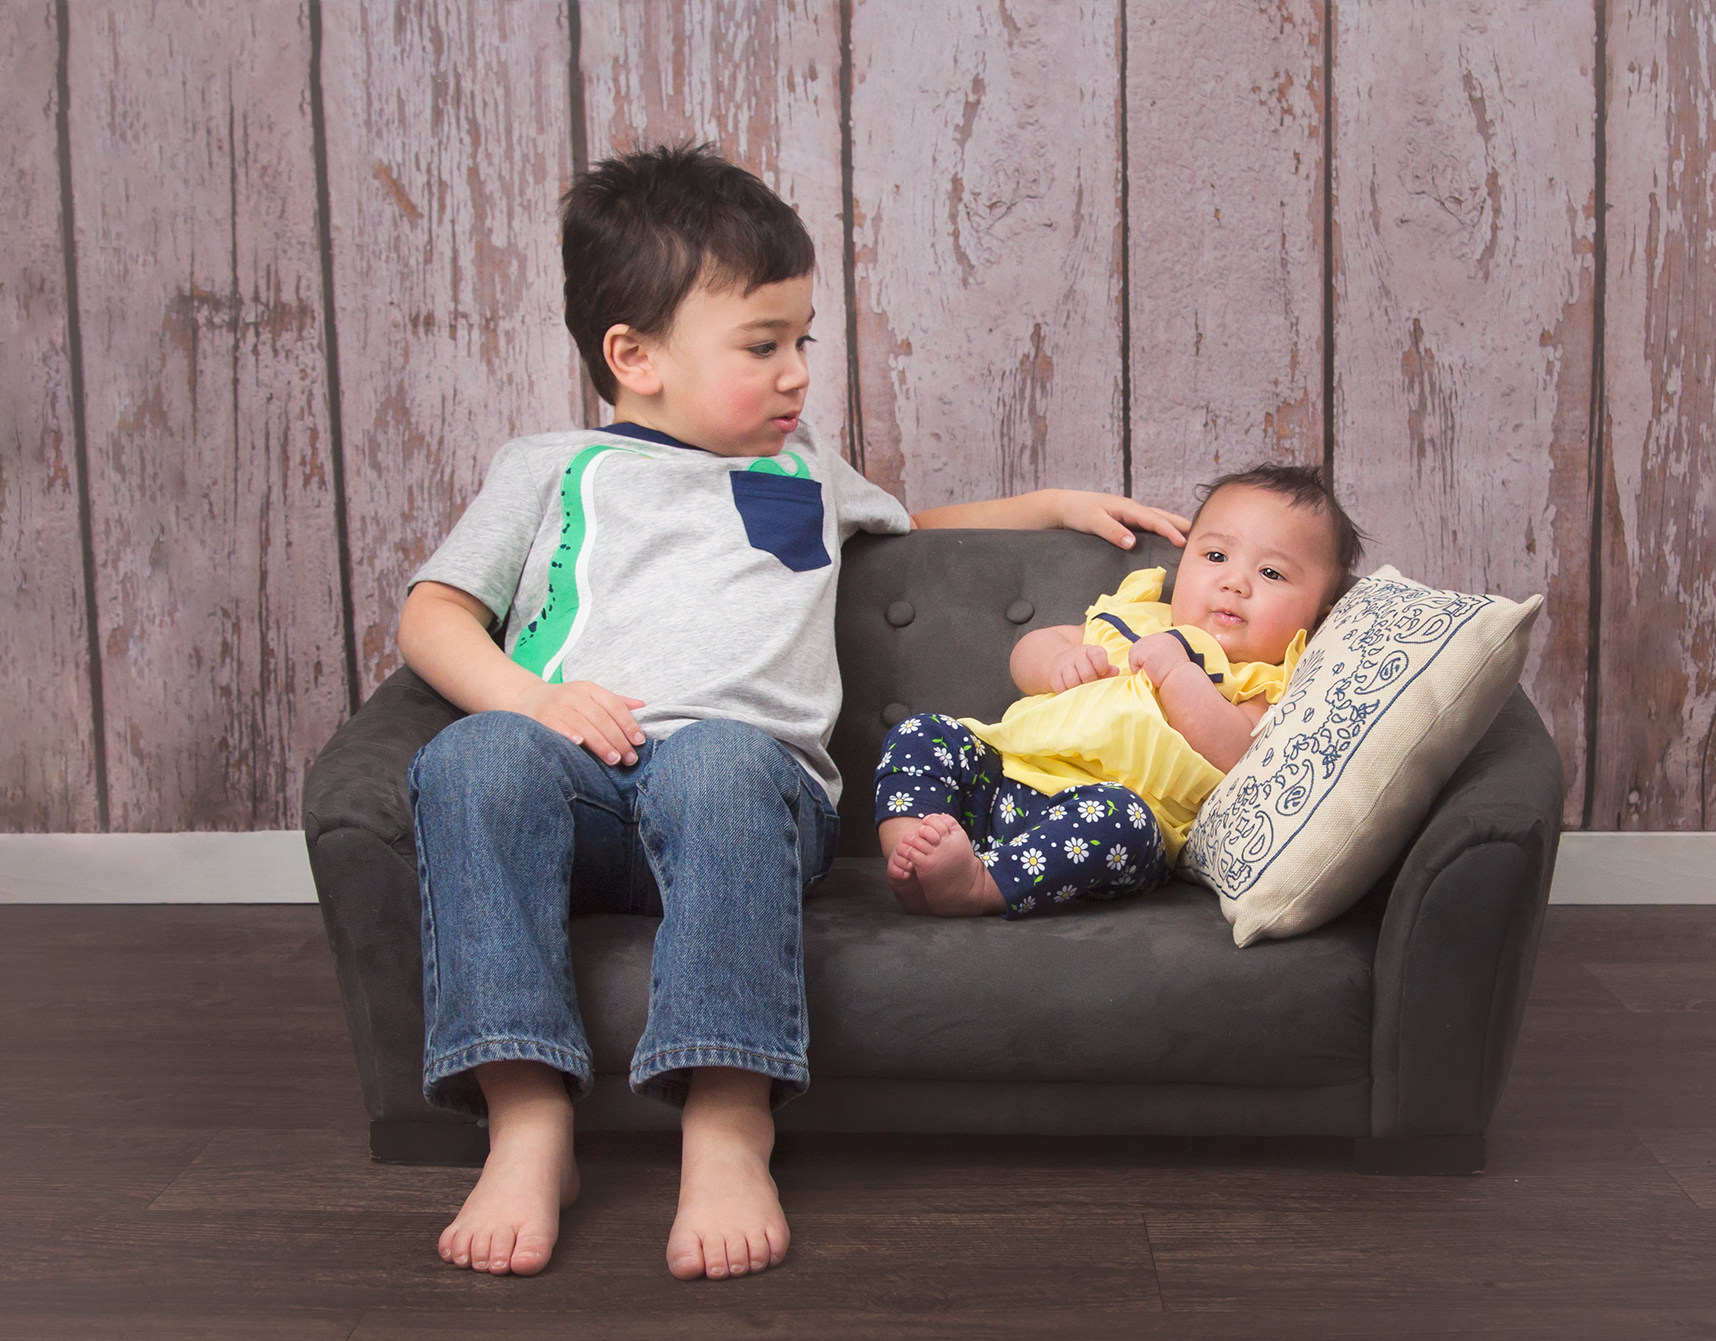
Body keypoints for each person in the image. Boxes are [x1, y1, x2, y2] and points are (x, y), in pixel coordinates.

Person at [396, 142, 1189, 1283]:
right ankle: (526, 1118)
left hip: (742, 796)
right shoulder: (550, 469)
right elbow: (432, 614)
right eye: (761, 346)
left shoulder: (803, 474)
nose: (796, 374)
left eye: (801, 340)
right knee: (472, 759)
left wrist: (1051, 506)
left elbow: (919, 524)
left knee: (717, 758)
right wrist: (534, 702)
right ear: (636, 356)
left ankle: (727, 1119)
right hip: (576, 787)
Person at [876, 464, 1363, 918]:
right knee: (925, 733)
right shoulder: (1135, 617)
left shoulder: (1266, 677)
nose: (1234, 582)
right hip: (1007, 778)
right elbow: (1028, 653)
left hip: (1110, 816)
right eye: (1215, 556)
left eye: (1271, 573)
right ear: (1184, 561)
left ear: (1319, 612)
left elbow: (1236, 753)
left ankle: (981, 885)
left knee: (1122, 823)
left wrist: (1178, 676)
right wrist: (1056, 662)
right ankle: (913, 855)